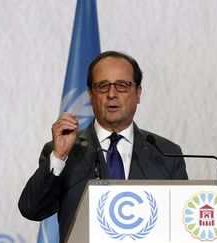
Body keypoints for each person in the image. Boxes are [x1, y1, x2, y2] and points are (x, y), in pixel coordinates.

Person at [18, 51, 188, 242]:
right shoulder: (65, 151)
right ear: (91, 94)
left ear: (138, 93)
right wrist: (58, 156)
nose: (112, 94)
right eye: (102, 86)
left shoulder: (166, 153)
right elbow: (31, 209)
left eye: (122, 86)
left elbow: (181, 225)